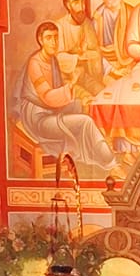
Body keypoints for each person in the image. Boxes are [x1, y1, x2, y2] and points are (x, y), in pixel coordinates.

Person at [16, 20, 113, 170]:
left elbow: (59, 94)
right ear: (40, 40)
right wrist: (72, 84)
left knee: (84, 106)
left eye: (56, 37)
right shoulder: (35, 64)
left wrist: (82, 99)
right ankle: (109, 161)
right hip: (38, 118)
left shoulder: (53, 60)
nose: (53, 42)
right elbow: (48, 97)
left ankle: (95, 151)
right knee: (85, 121)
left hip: (51, 109)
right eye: (49, 38)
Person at [55, 0, 104, 101]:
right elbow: (57, 57)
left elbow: (95, 51)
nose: (81, 7)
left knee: (103, 92)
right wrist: (79, 57)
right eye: (76, 2)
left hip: (83, 75)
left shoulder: (87, 23)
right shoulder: (59, 26)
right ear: (68, 5)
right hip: (64, 78)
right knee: (86, 98)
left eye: (83, 2)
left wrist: (83, 55)